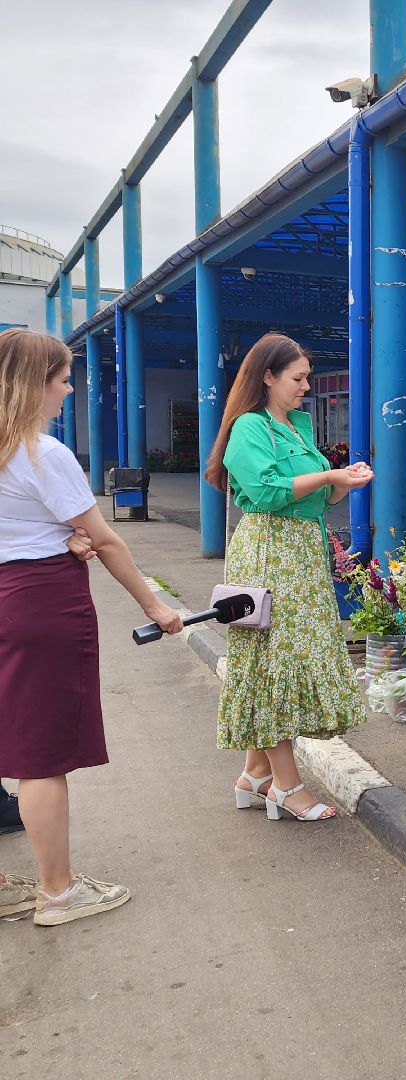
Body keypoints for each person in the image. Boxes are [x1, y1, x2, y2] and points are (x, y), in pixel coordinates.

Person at [0, 328, 184, 926]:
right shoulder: (43, 453)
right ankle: (58, 891)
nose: (69, 387)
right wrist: (155, 607)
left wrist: (56, 535)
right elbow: (104, 540)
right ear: (35, 385)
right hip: (39, 601)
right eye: (61, 378)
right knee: (40, 755)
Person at [205, 333, 373, 821]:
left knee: (274, 656)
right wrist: (328, 476)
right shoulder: (248, 428)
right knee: (277, 657)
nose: (306, 386)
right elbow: (268, 490)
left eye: (306, 377)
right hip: (269, 552)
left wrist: (343, 481)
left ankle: (254, 775)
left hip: (300, 551)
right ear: (267, 377)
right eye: (297, 378)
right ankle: (285, 785)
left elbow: (316, 499)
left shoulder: (296, 426)